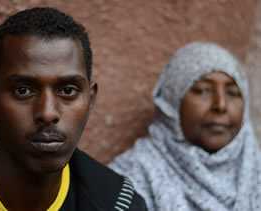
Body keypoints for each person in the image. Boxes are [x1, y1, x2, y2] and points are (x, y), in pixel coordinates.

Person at [0, 7, 147, 211]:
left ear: (90, 99)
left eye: (68, 90)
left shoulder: (117, 204)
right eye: (23, 90)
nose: (48, 113)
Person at [109, 42, 261, 211]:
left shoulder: (256, 172)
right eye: (203, 90)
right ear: (172, 102)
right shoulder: (130, 178)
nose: (221, 105)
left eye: (233, 93)